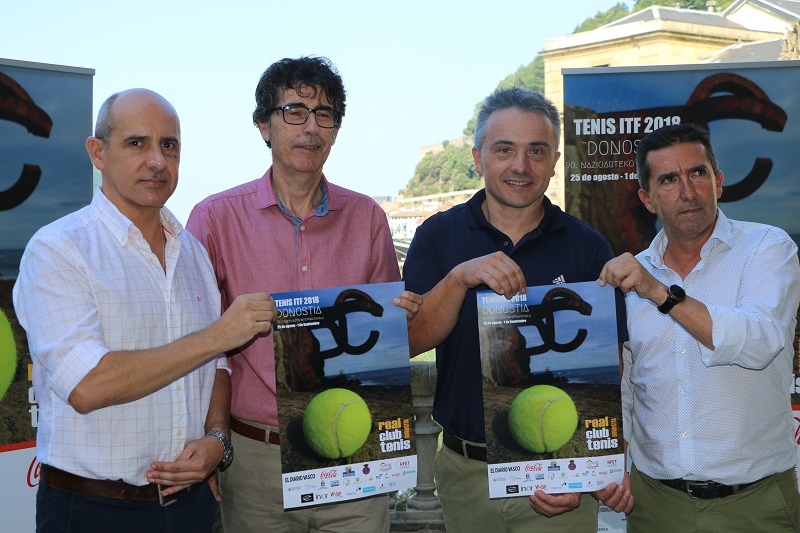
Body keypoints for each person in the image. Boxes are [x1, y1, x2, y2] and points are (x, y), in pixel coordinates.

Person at [13, 89, 275, 533]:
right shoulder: (59, 249)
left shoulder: (192, 252)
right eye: (137, 143)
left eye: (169, 145)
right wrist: (218, 335)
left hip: (189, 504)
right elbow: (87, 385)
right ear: (98, 153)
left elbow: (216, 367)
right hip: (92, 510)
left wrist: (217, 438)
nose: (157, 160)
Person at [186, 56, 420, 532]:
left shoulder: (368, 218)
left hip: (353, 456)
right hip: (255, 459)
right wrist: (212, 438)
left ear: (336, 129)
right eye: (294, 111)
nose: (311, 127)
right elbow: (197, 344)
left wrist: (400, 320)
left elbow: (380, 342)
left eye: (324, 114)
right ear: (263, 125)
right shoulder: (214, 219)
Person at [403, 87, 633, 533]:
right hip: (466, 473)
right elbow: (412, 340)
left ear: (554, 162)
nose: (521, 166)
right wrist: (459, 279)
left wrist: (586, 466)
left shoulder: (587, 246)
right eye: (504, 149)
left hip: (559, 470)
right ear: (478, 157)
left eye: (537, 151)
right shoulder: (437, 235)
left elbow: (610, 369)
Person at [599, 123, 800, 532]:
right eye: (668, 180)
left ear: (718, 182)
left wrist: (662, 294)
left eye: (697, 173)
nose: (688, 191)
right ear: (647, 199)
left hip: (756, 504)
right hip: (655, 505)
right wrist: (608, 465)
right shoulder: (630, 276)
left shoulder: (768, 247)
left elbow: (760, 341)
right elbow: (624, 389)